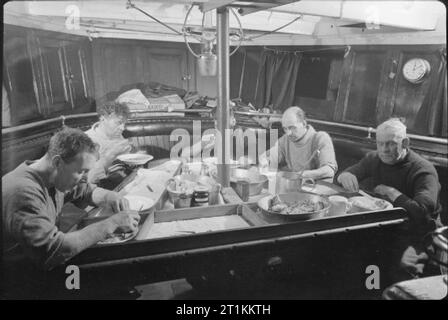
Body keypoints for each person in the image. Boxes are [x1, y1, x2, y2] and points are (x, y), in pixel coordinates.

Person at [2, 128, 140, 294]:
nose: (85, 177)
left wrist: (110, 196)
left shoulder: (52, 175)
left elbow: (84, 190)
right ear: (58, 162)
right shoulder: (22, 191)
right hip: (20, 280)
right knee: (115, 281)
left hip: (38, 266)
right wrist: (112, 223)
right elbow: (53, 251)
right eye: (81, 171)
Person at [337, 118, 442, 281]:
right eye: (380, 143)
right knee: (349, 251)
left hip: (420, 234)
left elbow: (422, 212)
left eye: (391, 144)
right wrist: (346, 175)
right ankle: (370, 291)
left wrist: (392, 192)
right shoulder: (374, 158)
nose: (384, 150)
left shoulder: (423, 169)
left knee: (402, 267)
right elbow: (349, 173)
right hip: (387, 227)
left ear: (405, 142)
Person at [259, 106, 337, 181]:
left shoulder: (320, 138)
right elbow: (269, 156)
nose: (288, 133)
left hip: (319, 188)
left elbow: (329, 170)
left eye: (292, 128)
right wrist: (264, 160)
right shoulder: (285, 140)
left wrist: (302, 175)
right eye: (285, 129)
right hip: (295, 186)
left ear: (303, 123)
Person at [85, 101, 134, 185]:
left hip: (123, 181)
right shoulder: (85, 140)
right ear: (103, 118)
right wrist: (111, 154)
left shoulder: (117, 135)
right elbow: (89, 179)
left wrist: (133, 155)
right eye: (119, 123)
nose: (122, 128)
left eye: (124, 124)